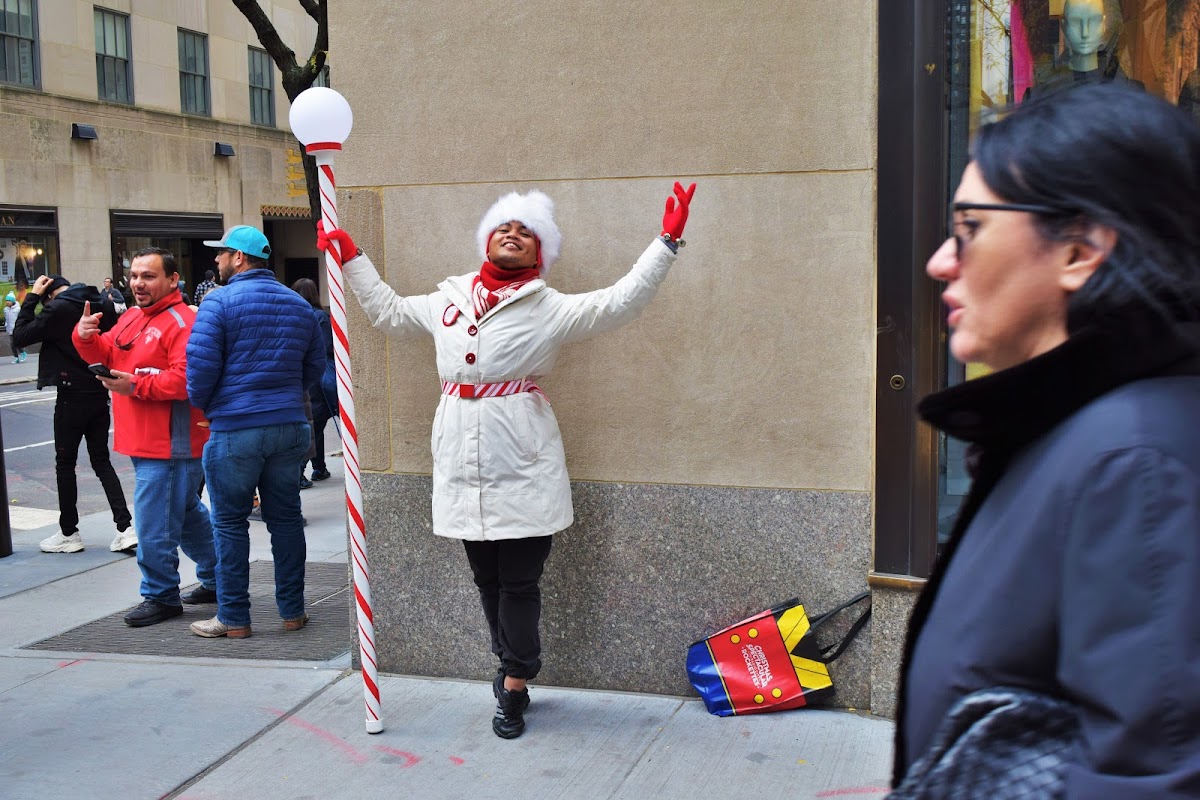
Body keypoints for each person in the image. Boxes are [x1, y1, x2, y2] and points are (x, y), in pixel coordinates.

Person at [891, 84, 1200, 797]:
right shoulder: (1075, 428)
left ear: (1080, 250)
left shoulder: (1137, 459)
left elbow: (1155, 777)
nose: (942, 260)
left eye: (969, 228)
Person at [316, 182, 696, 739]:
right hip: (461, 459)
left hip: (521, 459)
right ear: (486, 241)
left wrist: (666, 242)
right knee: (485, 578)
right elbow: (391, 313)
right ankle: (511, 664)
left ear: (539, 253)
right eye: (504, 227)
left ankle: (515, 682)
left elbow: (620, 300)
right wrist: (354, 257)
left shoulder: (550, 308)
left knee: (519, 581)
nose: (513, 234)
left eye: (526, 231)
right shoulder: (448, 299)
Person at [185, 226, 324, 639]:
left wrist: (212, 407)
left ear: (240, 258)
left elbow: (200, 372)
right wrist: (283, 395)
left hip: (235, 428)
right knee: (286, 521)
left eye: (222, 253)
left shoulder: (218, 301)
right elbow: (314, 367)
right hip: (288, 426)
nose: (217, 259)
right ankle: (293, 612)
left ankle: (233, 618)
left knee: (228, 523)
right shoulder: (298, 304)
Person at [72, 249, 218, 626]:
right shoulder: (134, 317)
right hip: (148, 440)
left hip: (171, 443)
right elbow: (109, 351)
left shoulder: (184, 321)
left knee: (155, 522)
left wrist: (134, 385)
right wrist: (85, 337)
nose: (138, 283)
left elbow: (187, 380)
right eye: (135, 275)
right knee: (185, 514)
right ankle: (220, 577)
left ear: (172, 280)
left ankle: (161, 595)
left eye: (148, 276)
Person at [13, 274, 134, 554]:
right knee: (101, 461)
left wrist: (32, 297)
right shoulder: (99, 300)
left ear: (50, 293)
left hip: (70, 395)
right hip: (98, 391)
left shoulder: (57, 308)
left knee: (65, 464)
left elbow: (20, 335)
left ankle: (69, 533)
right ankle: (125, 528)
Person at [291, 278, 337, 484]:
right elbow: (327, 347)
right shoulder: (320, 317)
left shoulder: (292, 315)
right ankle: (300, 472)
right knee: (314, 425)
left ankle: (319, 467)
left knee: (313, 423)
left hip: (298, 375)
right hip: (317, 378)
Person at [5, 292, 25, 363]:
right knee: (12, 344)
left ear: (13, 301)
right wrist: (6, 325)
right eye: (6, 300)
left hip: (16, 328)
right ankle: (17, 358)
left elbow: (21, 318)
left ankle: (22, 353)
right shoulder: (6, 310)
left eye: (9, 300)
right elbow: (6, 319)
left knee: (14, 343)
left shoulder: (17, 309)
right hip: (10, 329)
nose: (7, 302)